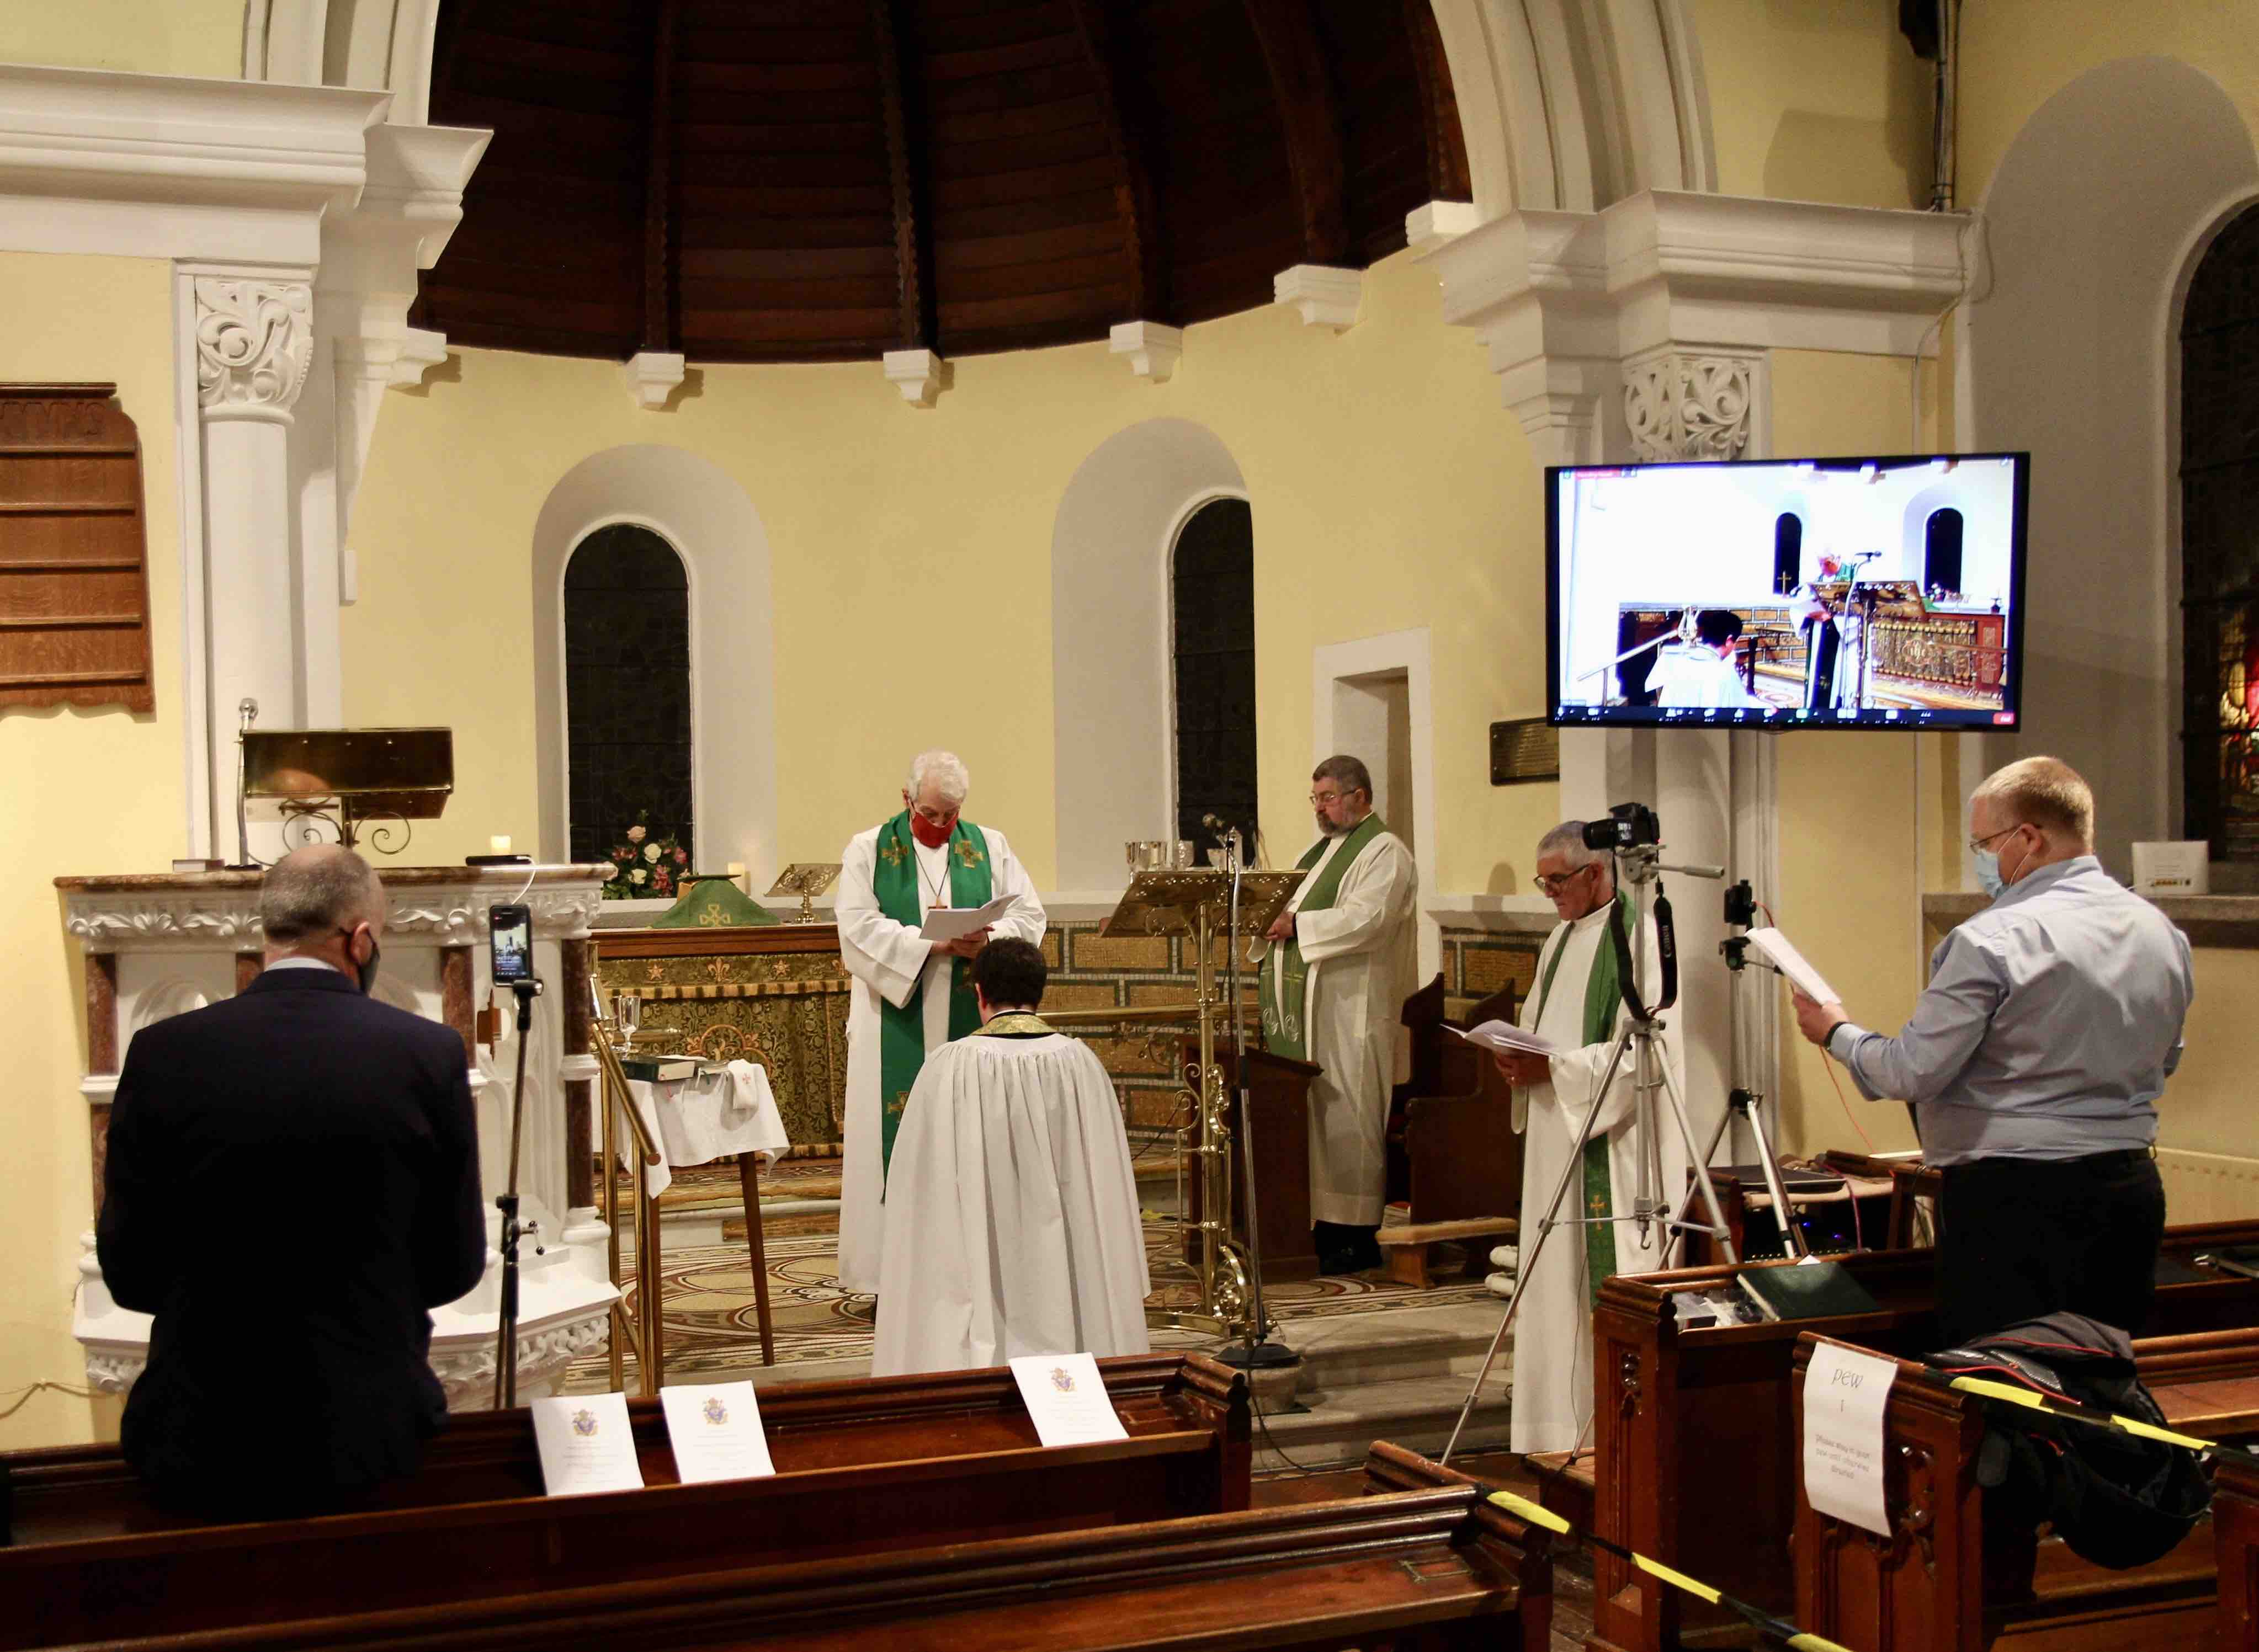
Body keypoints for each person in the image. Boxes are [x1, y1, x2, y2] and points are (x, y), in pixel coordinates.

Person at [96, 844, 487, 1517]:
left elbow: (130, 1273)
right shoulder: (426, 1053)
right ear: (360, 940)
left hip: (201, 1436)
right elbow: (453, 1266)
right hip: (367, 1437)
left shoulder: (163, 1051)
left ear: (269, 933)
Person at [1792, 756, 2192, 1346]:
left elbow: (1912, 1070)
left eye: (1984, 843)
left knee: (2003, 1388)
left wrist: (1836, 1033)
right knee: (2106, 1381)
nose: (1983, 860)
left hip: (2017, 1202)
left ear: (2027, 838)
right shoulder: (2160, 932)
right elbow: (2164, 1059)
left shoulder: (1991, 939)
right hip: (2127, 1190)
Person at [1491, 821, 1684, 1456]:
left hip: (1613, 1143)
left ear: (1596, 873)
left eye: (1556, 880)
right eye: (1542, 881)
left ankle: (1613, 1432)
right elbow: (1536, 1027)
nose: (1548, 892)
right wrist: (1516, 1059)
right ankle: (1553, 1426)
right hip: (1554, 1133)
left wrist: (1558, 1071)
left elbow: (1646, 1053)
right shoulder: (1558, 941)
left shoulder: (1640, 937)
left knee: (1602, 1280)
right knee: (1552, 1283)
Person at [870, 938, 1151, 1374]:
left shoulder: (950, 1066)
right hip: (1066, 1247)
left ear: (979, 993)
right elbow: (1105, 1179)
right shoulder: (1080, 1062)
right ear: (1040, 992)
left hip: (977, 1238)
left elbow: (922, 1184)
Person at [834, 750, 1046, 1295]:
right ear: (906, 801)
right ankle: (892, 1282)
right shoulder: (867, 850)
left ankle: (974, 1275)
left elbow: (1029, 915)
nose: (942, 825)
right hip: (895, 1020)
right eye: (931, 814)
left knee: (972, 1144)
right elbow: (856, 929)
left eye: (951, 814)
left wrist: (987, 939)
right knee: (899, 1146)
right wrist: (933, 943)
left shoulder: (990, 845)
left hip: (973, 1017)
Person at [1257, 755, 1418, 1274]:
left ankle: (1354, 1233)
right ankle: (1315, 1224)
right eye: (1316, 799)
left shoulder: (1384, 851)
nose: (1321, 809)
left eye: (1328, 797)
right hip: (1311, 1011)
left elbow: (1368, 919)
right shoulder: (1320, 852)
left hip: (1353, 1008)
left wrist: (1295, 925)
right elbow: (1287, 910)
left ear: (1360, 797)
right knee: (1316, 1116)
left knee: (1350, 1113)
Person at [1648, 609, 1755, 710]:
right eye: (1735, 642)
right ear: (1729, 640)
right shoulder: (1726, 673)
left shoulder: (1678, 665)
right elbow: (1742, 712)